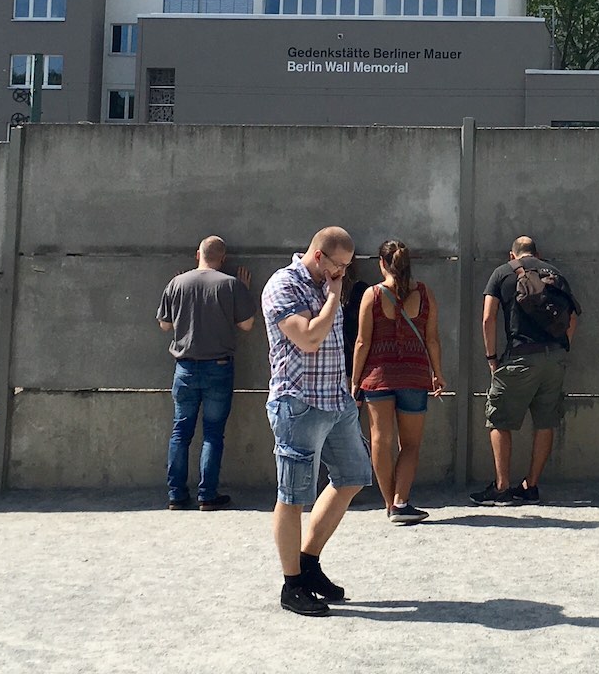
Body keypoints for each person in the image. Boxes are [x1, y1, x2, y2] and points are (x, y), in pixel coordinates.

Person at [262, 226, 372, 617]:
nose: (344, 271)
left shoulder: (329, 284)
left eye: (348, 266)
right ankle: (291, 586)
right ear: (320, 256)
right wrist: (333, 297)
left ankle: (308, 563)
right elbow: (308, 337)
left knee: (354, 476)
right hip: (298, 404)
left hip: (335, 402)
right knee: (292, 496)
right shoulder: (283, 285)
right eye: (340, 264)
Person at [474, 236, 579, 506]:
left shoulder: (502, 273)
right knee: (545, 422)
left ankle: (501, 488)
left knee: (499, 420)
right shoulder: (555, 273)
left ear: (512, 254)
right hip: (553, 357)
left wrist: (491, 358)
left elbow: (488, 317)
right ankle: (531, 486)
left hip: (520, 356)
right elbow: (572, 317)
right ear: (537, 253)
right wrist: (562, 349)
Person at [156, 235, 255, 511]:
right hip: (219, 367)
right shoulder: (231, 284)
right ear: (223, 258)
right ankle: (207, 495)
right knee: (212, 433)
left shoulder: (178, 283)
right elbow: (247, 325)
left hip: (185, 367)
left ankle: (176, 494)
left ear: (196, 253)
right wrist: (243, 292)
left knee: (180, 432)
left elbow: (164, 326)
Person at [351, 239, 444, 525]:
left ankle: (390, 504)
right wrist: (437, 373)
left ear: (382, 263)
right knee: (411, 444)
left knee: (380, 440)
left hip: (378, 376)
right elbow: (432, 339)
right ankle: (401, 502)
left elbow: (363, 341)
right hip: (414, 377)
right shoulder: (425, 294)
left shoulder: (373, 294)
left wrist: (355, 381)